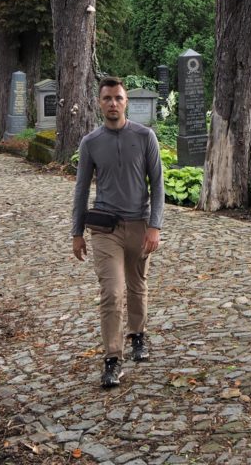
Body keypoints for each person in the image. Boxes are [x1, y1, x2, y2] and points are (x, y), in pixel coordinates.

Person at [71, 77, 164, 388]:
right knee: (112, 292)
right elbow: (81, 189)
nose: (113, 103)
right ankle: (112, 358)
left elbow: (158, 185)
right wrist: (76, 232)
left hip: (139, 225)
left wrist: (155, 226)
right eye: (107, 98)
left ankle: (138, 335)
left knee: (137, 286)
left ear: (126, 102)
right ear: (99, 103)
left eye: (118, 98)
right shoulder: (91, 143)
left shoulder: (145, 136)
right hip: (104, 229)